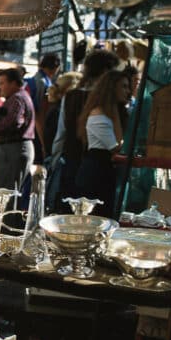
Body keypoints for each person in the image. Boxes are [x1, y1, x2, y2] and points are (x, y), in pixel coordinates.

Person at [50, 48, 120, 208]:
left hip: (71, 162)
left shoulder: (70, 96)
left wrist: (55, 161)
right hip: (97, 168)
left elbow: (60, 134)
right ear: (106, 71)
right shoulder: (107, 99)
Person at [73, 69, 131, 217]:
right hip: (96, 172)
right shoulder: (100, 114)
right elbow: (116, 146)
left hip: (104, 171)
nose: (128, 91)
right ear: (113, 88)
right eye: (123, 86)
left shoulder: (113, 112)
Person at [0, 68, 36, 193]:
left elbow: (14, 122)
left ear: (14, 83)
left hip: (11, 151)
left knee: (7, 195)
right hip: (11, 150)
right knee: (8, 194)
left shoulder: (17, 99)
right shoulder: (17, 97)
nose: (0, 87)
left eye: (2, 83)